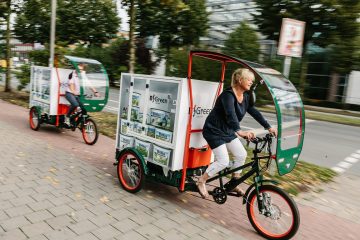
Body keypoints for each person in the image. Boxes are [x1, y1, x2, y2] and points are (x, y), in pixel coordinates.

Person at [197, 68, 277, 198]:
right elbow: (231, 115)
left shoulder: (245, 97)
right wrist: (240, 131)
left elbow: (255, 112)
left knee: (241, 154)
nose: (251, 82)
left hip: (227, 131)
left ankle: (234, 182)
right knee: (223, 160)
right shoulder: (227, 95)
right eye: (249, 79)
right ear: (240, 80)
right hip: (214, 131)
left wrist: (268, 127)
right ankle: (201, 180)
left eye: (252, 80)